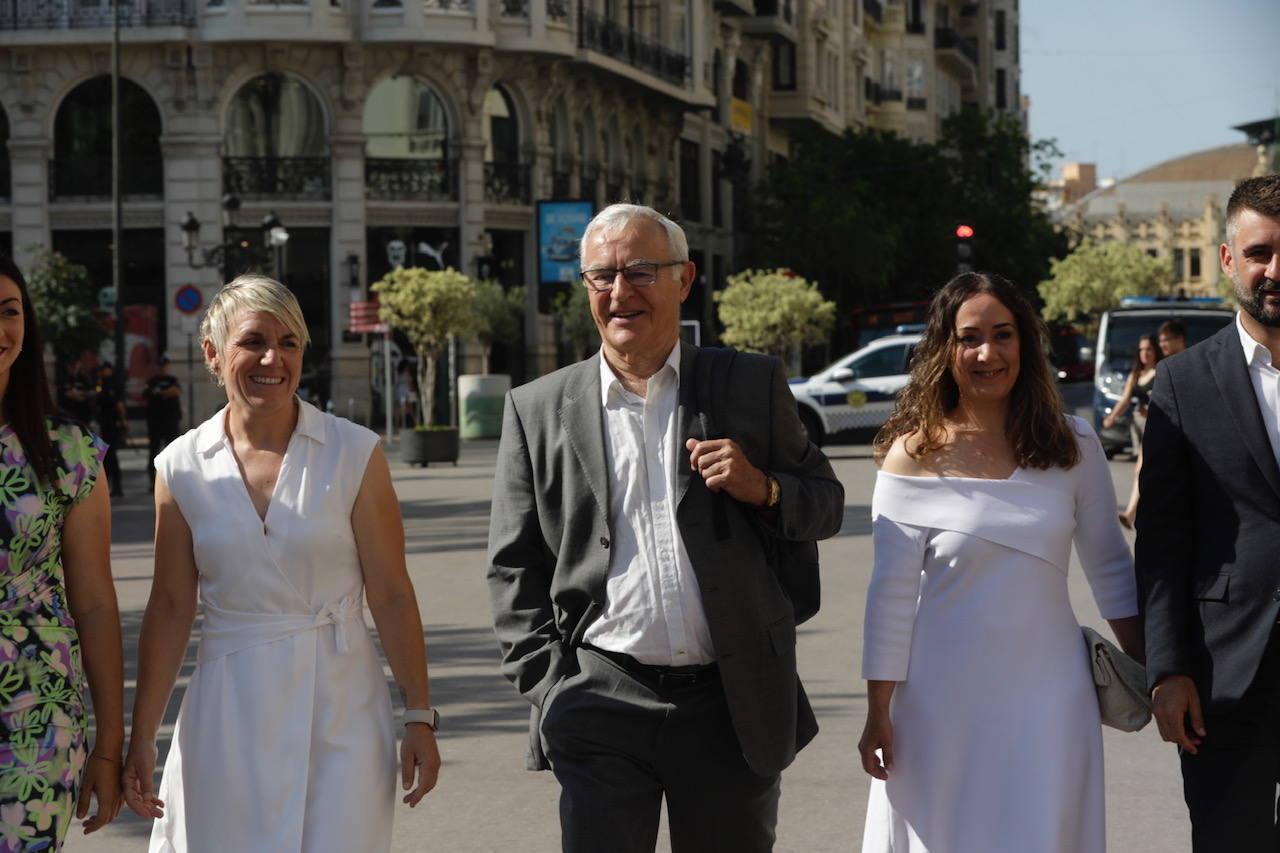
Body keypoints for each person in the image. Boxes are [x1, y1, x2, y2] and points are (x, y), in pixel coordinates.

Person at [487, 203, 844, 852]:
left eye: (641, 272)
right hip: (598, 695)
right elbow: (513, 565)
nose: (620, 292)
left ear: (684, 279)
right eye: (602, 276)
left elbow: (825, 502)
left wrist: (761, 487)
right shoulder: (537, 409)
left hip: (729, 701)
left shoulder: (749, 384)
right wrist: (551, 685)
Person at [121, 274, 441, 852]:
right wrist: (142, 736)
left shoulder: (354, 452)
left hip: (342, 704)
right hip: (228, 709)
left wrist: (418, 712)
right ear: (213, 354)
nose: (273, 358)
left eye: (290, 342)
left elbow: (391, 591)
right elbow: (169, 607)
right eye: (253, 341)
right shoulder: (181, 467)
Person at [857, 272, 1143, 853]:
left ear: (1026, 345)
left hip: (1051, 702)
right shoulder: (910, 457)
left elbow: (1112, 570)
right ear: (944, 350)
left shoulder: (1074, 444)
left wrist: (1156, 674)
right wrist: (877, 711)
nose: (987, 352)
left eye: (1003, 335)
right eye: (969, 338)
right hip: (938, 707)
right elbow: (888, 599)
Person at [1137, 174, 1280, 849]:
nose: (1274, 269)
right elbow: (1162, 542)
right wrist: (1167, 669)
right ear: (1229, 260)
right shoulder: (1182, 382)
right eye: (1260, 252)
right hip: (1225, 677)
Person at [0, 253, 124, 847]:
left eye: (9, 312)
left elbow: (95, 605)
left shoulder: (68, 453)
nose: (0, 331)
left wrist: (110, 745)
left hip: (37, 721)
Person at [1102, 334, 1161, 528]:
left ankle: (1130, 513)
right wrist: (1112, 417)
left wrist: (1151, 411)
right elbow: (1125, 399)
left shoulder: (1162, 371)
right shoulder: (1136, 374)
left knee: (1141, 468)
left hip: (1157, 426)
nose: (1145, 354)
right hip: (1138, 427)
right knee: (1148, 469)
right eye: (1141, 350)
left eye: (1149, 349)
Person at [143, 356, 182, 491]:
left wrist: (160, 393)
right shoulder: (152, 381)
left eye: (165, 365)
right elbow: (147, 394)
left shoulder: (173, 380)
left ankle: (173, 480)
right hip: (155, 421)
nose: (163, 368)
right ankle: (153, 482)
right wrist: (166, 393)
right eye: (161, 365)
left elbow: (176, 392)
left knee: (172, 451)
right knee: (154, 451)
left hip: (170, 420)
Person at [94, 362, 128, 497]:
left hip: (112, 424)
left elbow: (119, 405)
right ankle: (109, 487)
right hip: (104, 424)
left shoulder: (111, 385)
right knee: (106, 456)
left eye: (106, 370)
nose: (104, 372)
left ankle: (117, 486)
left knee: (111, 456)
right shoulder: (101, 384)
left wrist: (123, 420)